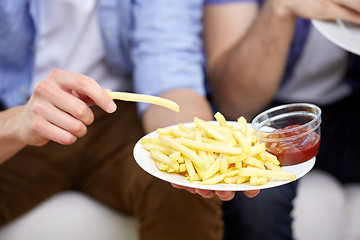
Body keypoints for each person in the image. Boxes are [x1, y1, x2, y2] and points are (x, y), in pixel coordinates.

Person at [0, 0, 258, 239]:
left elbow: (169, 66)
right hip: (17, 114)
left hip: (121, 119)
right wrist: (16, 123)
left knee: (181, 188)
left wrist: (201, 149)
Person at [203, 0, 360, 239]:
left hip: (346, 104)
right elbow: (235, 103)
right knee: (256, 199)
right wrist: (280, 9)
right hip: (262, 112)